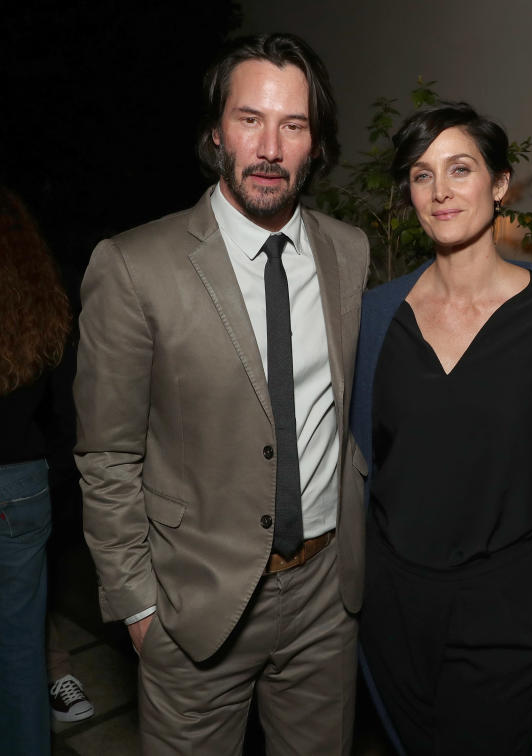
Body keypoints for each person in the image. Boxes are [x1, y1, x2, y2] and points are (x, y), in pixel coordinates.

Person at [74, 33, 369, 754]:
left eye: (293, 125)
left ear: (315, 144)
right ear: (216, 132)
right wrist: (140, 606)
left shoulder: (349, 252)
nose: (269, 146)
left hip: (328, 598)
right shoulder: (134, 266)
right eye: (249, 119)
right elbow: (107, 455)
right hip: (196, 604)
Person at [351, 102, 532, 755]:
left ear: (500, 184)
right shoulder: (373, 319)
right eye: (423, 175)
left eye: (460, 169)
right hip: (394, 607)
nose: (441, 191)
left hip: (508, 608)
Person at [0, 187, 75, 755]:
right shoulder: (39, 300)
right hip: (23, 485)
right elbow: (60, 406)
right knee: (23, 649)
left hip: (24, 482)